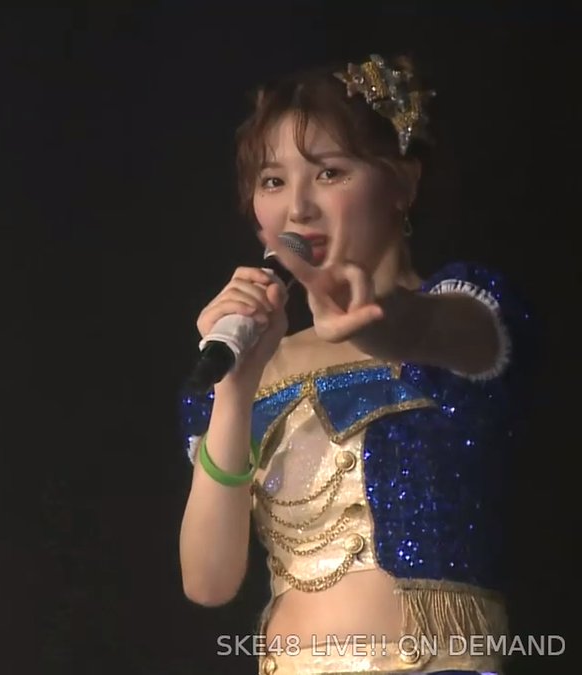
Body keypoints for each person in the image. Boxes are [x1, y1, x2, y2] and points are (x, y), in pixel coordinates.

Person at [177, 54, 532, 675]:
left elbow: (423, 327)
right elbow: (208, 583)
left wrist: (374, 318)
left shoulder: (467, 312)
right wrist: (234, 389)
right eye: (272, 181)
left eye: (329, 172)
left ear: (403, 184)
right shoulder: (250, 361)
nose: (298, 208)